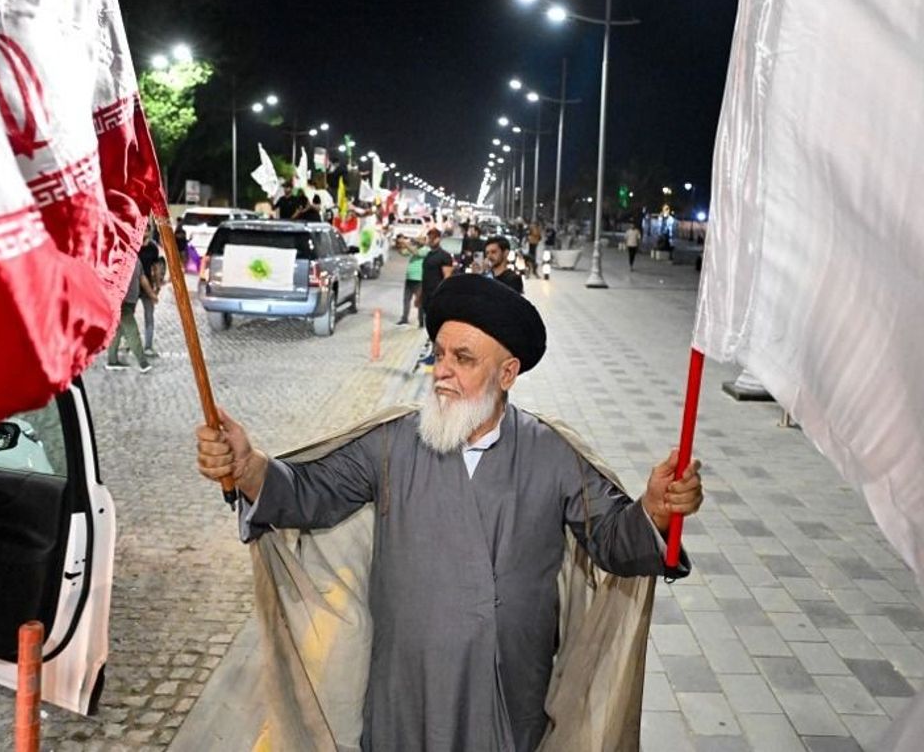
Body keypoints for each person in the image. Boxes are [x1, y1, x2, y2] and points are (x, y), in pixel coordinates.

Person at [194, 274, 700, 751]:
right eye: (439, 355)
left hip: (510, 695)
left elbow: (612, 539)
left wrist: (653, 510)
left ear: (507, 373)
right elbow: (307, 491)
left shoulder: (554, 454)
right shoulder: (390, 443)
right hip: (406, 694)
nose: (442, 371)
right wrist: (251, 466)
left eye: (463, 358)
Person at [105, 259, 151, 373]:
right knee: (132, 331)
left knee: (117, 331)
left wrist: (151, 294)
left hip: (130, 302)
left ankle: (112, 361)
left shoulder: (136, 259)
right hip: (121, 303)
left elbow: (142, 278)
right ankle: (143, 363)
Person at [418, 227, 453, 333]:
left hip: (437, 296)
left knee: (436, 323)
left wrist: (443, 296)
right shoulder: (428, 255)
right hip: (426, 295)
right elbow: (424, 276)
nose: (431, 240)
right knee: (427, 322)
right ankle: (429, 342)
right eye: (430, 238)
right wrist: (419, 295)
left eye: (434, 238)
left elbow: (447, 278)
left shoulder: (445, 256)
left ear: (439, 239)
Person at [138, 235, 166, 356]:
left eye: (147, 229)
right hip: (132, 285)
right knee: (127, 315)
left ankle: (148, 346)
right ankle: (126, 341)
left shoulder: (152, 248)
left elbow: (156, 267)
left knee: (149, 316)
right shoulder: (131, 245)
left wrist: (158, 284)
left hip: (148, 283)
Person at [396, 236, 426, 326]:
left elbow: (416, 253)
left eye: (420, 239)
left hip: (419, 279)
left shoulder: (426, 249)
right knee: (406, 300)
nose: (417, 241)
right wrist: (399, 244)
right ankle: (404, 318)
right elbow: (403, 253)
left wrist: (406, 243)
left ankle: (421, 320)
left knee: (419, 301)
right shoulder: (415, 247)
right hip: (409, 278)